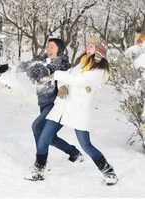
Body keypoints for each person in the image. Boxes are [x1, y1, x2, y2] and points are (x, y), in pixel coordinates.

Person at [26, 36, 118, 186]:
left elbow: (79, 81)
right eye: (88, 45)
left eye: (92, 47)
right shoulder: (81, 63)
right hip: (61, 106)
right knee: (44, 137)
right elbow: (69, 75)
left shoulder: (99, 71)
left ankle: (109, 172)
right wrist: (63, 85)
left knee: (86, 145)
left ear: (99, 52)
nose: (88, 48)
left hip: (78, 111)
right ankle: (38, 170)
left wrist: (57, 75)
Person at [25, 38, 83, 168]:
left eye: (52, 47)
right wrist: (5, 68)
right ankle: (74, 153)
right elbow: (29, 68)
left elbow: (69, 79)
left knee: (37, 127)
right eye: (48, 47)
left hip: (56, 104)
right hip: (43, 103)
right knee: (49, 137)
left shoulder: (64, 65)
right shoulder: (42, 62)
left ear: (59, 49)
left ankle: (40, 162)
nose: (48, 49)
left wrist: (64, 86)